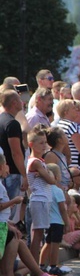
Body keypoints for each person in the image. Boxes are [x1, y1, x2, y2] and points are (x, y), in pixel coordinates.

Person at [26, 127, 57, 263]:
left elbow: (51, 178)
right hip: (39, 199)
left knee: (39, 233)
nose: (45, 146)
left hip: (44, 199)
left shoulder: (41, 162)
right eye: (41, 143)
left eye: (45, 142)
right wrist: (49, 174)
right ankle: (34, 267)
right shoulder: (36, 162)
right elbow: (52, 179)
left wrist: (49, 174)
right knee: (37, 234)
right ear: (31, 144)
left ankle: (35, 266)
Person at [56, 99, 80, 191]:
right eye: (74, 109)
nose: (76, 110)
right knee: (79, 193)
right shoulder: (72, 126)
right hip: (78, 165)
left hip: (68, 165)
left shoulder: (60, 124)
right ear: (66, 112)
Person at [0, 90, 27, 220]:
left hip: (3, 171)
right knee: (8, 213)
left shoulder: (1, 119)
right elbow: (16, 152)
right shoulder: (12, 123)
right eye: (20, 100)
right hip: (12, 173)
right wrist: (24, 175)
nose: (23, 102)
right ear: (14, 103)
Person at [40, 164, 69, 276]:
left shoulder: (45, 190)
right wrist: (66, 222)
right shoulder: (57, 191)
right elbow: (62, 209)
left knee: (47, 243)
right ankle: (53, 266)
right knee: (55, 244)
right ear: (56, 176)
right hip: (57, 221)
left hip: (47, 221)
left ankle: (41, 264)